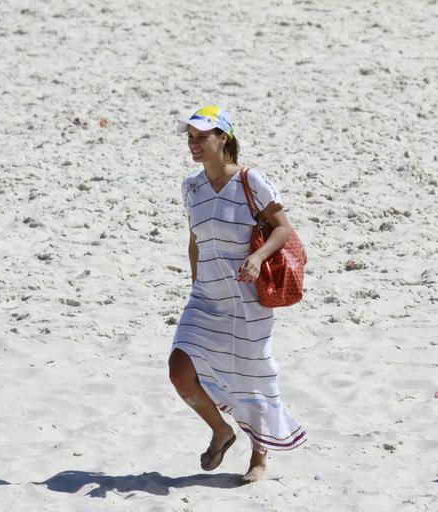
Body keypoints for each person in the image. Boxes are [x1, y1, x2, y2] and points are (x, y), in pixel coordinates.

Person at [168, 105, 306, 483]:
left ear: (222, 138)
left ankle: (259, 458)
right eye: (190, 138)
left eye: (202, 137)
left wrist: (258, 258)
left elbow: (283, 230)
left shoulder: (250, 180)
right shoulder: (191, 187)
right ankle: (221, 430)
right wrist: (196, 281)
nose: (194, 144)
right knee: (180, 370)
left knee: (254, 374)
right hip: (206, 294)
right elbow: (194, 239)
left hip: (247, 296)